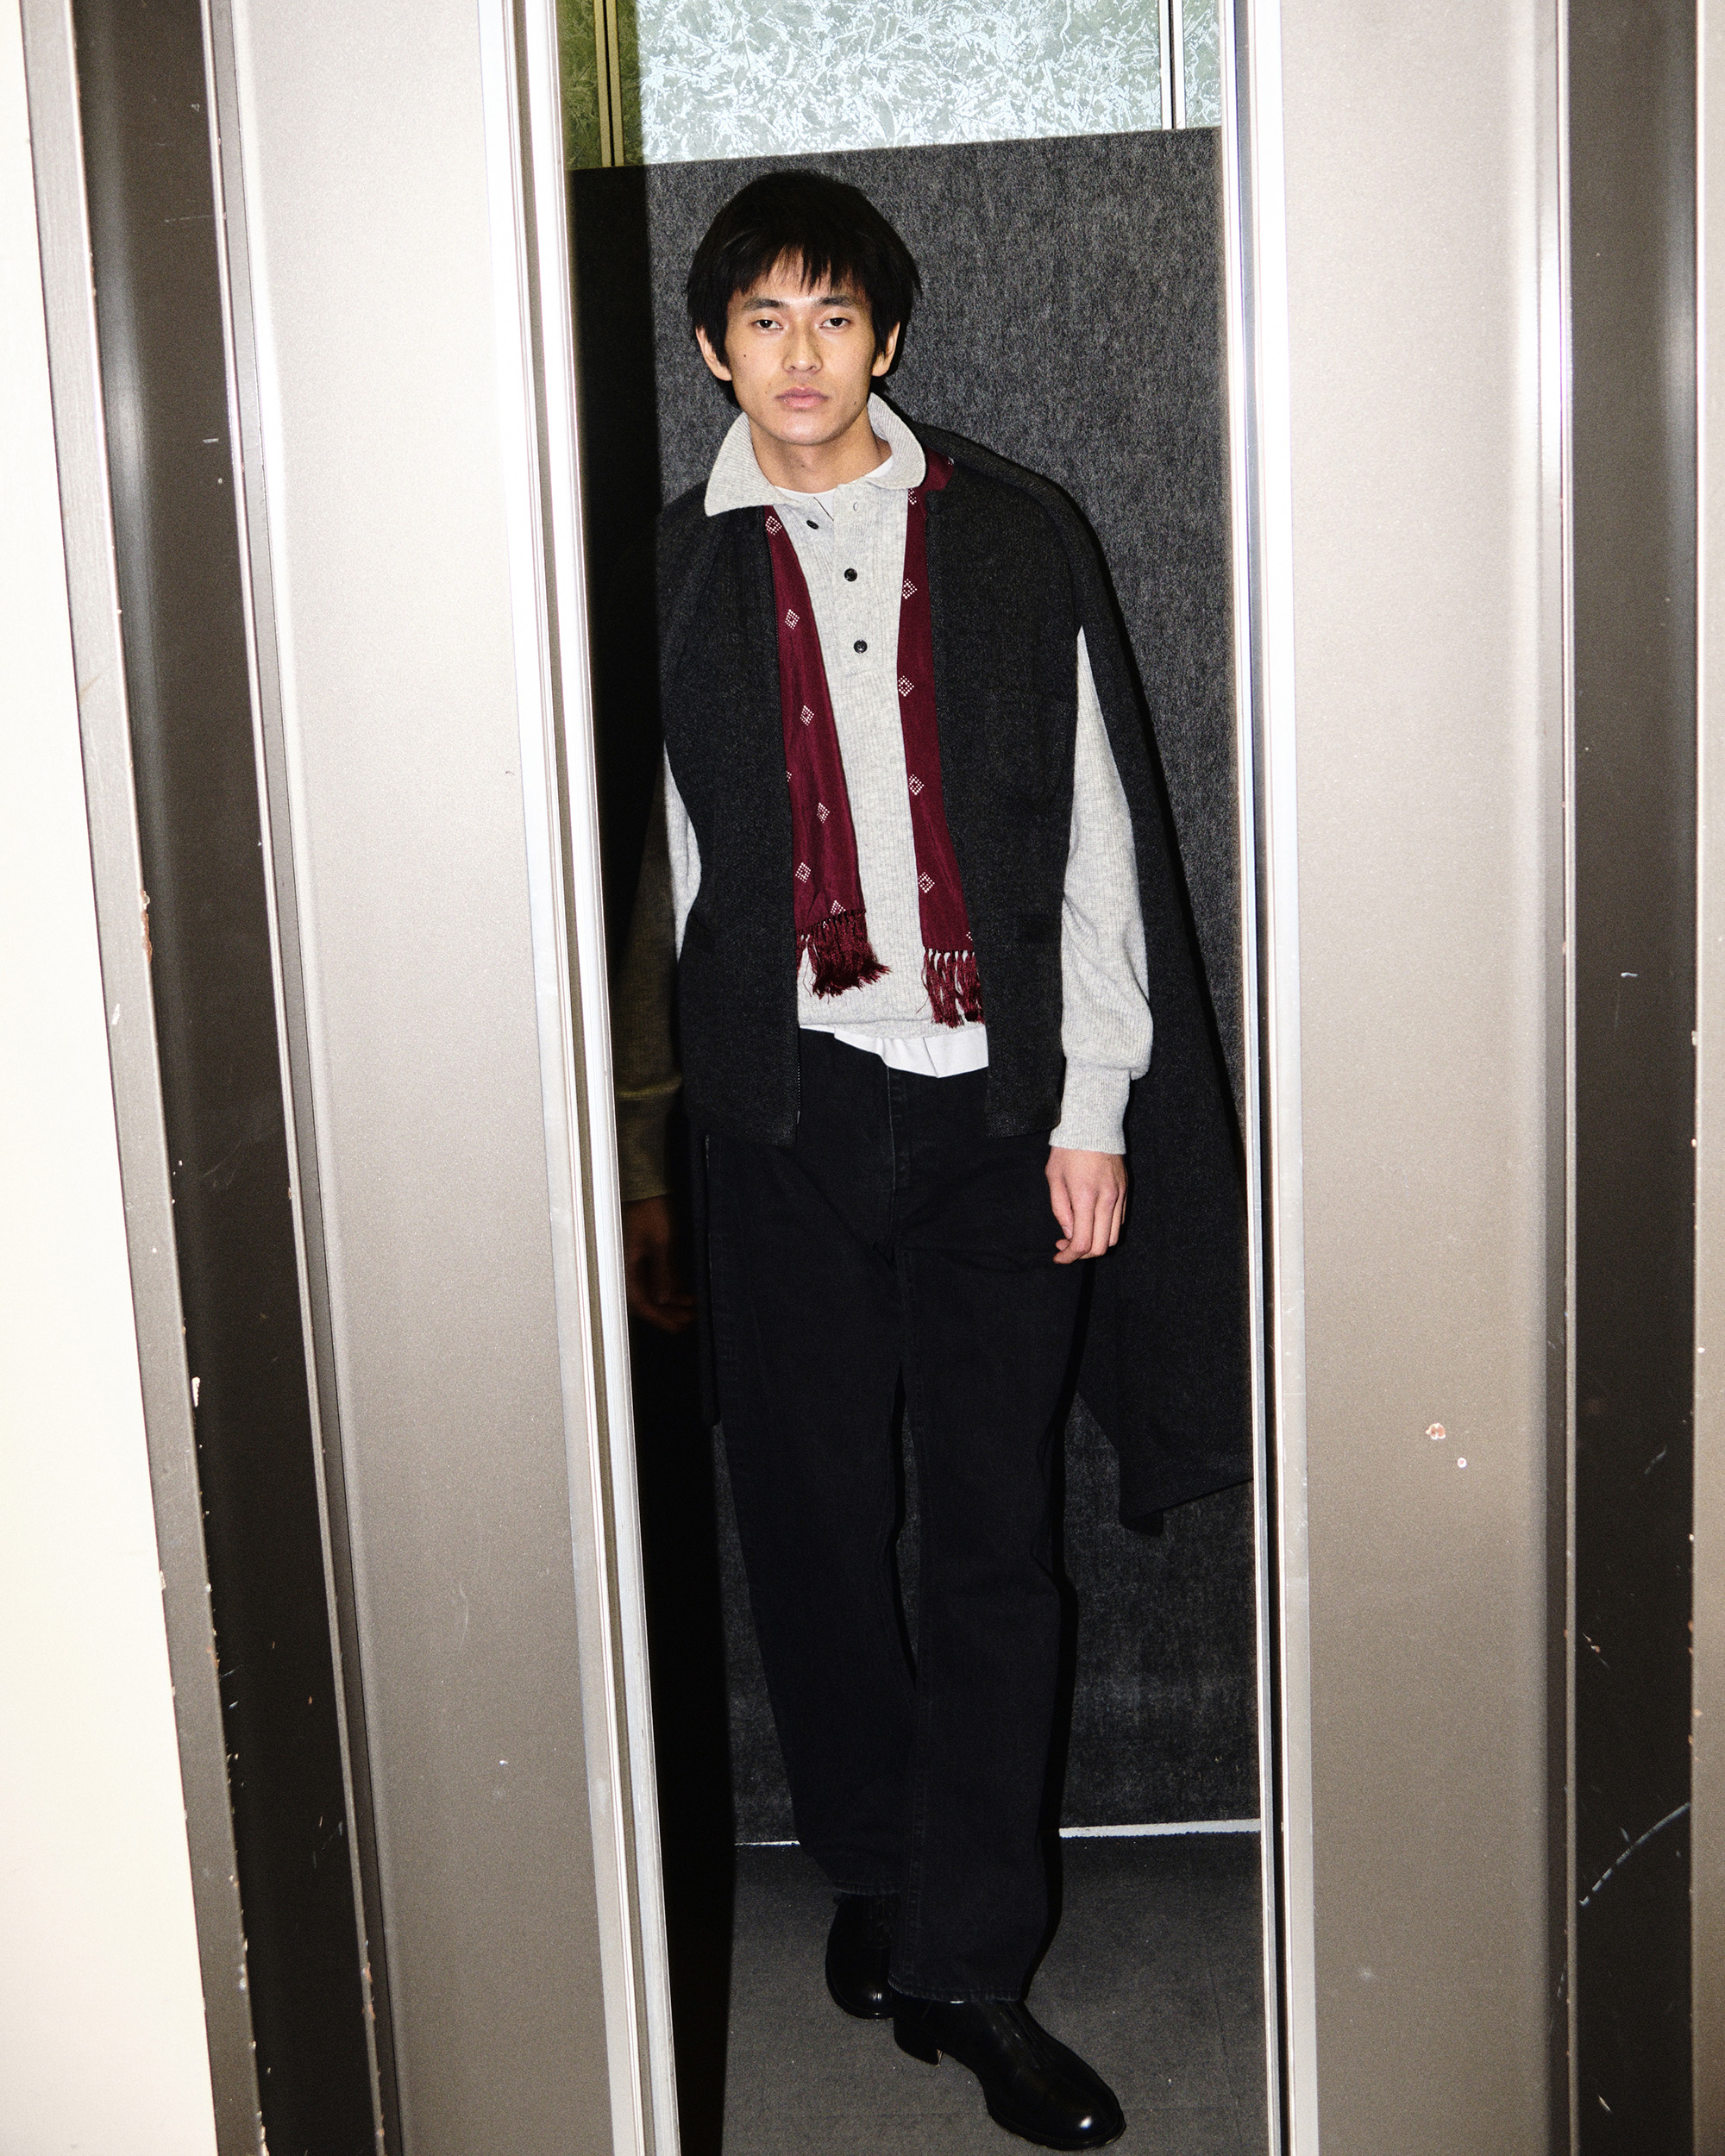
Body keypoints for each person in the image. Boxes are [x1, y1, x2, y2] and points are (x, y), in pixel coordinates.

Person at [611, 168, 1232, 2151]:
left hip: (989, 1110)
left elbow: (1098, 844)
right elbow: (654, 882)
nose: (800, 353)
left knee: (988, 1538)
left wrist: (1092, 1106)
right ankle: (873, 1857)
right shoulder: (668, 572)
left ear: (889, 331)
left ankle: (970, 1957)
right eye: (762, 319)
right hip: (780, 1112)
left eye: (833, 314)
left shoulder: (1012, 536)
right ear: (712, 348)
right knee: (803, 1519)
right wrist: (648, 1147)